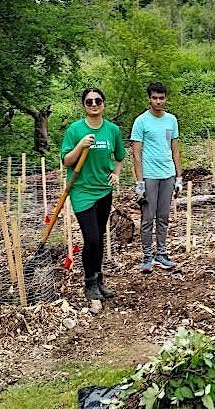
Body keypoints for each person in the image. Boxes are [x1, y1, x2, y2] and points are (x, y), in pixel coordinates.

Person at [61, 87, 125, 301]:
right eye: (89, 102)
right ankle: (89, 282)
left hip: (104, 190)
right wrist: (80, 145)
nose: (94, 104)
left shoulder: (112, 130)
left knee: (99, 237)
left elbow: (119, 155)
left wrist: (115, 174)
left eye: (98, 100)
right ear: (84, 106)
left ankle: (99, 281)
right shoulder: (75, 129)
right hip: (81, 191)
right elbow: (66, 161)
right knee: (91, 238)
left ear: (104, 103)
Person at [131, 82, 183, 273]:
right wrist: (139, 182)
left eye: (161, 98)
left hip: (167, 175)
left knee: (163, 217)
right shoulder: (141, 121)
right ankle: (147, 256)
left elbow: (175, 149)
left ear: (165, 98)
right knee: (147, 218)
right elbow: (136, 153)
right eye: (155, 98)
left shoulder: (171, 120)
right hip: (150, 176)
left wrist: (179, 176)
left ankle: (161, 253)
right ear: (149, 99)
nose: (158, 101)